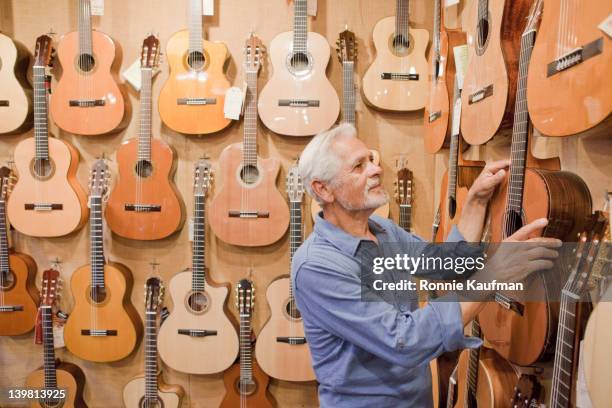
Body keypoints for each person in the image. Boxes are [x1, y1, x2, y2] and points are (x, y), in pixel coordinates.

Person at [292, 123, 561, 407]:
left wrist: (477, 201)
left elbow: (449, 264)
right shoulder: (316, 268)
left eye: (371, 159)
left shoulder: (382, 230)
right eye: (359, 166)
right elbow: (406, 340)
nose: (376, 169)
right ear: (323, 190)